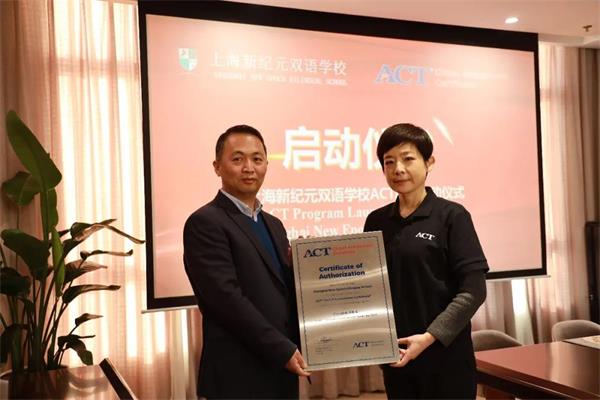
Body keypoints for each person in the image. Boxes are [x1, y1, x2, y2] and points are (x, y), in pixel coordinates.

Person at [183, 125, 309, 399]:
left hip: (281, 367)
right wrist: (282, 349)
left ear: (267, 165)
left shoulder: (273, 224)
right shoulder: (205, 222)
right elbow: (226, 300)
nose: (249, 168)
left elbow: (278, 291)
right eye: (237, 159)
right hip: (238, 372)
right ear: (217, 167)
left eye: (257, 159)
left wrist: (304, 268)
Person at [363, 123, 488, 399]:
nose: (398, 169)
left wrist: (430, 337)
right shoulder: (376, 221)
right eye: (389, 161)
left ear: (429, 162)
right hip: (398, 357)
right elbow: (367, 287)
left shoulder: (452, 216)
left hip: (446, 357)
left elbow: (474, 290)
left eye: (408, 158)